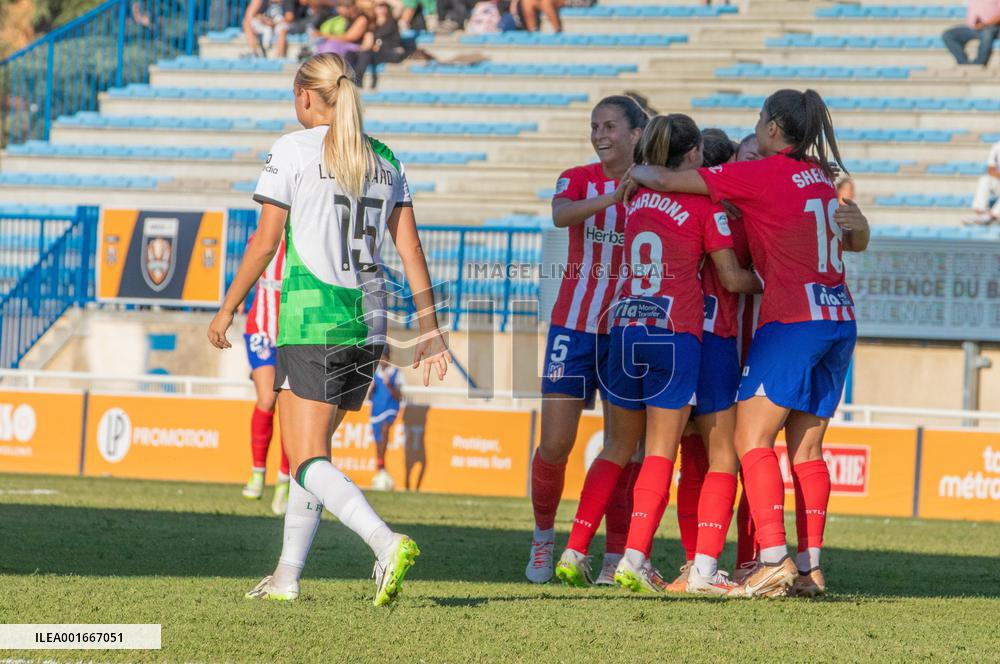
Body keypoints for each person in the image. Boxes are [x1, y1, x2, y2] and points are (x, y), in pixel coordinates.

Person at [208, 53, 450, 607]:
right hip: (371, 319)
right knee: (309, 455)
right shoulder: (385, 158)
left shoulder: (292, 148)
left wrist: (227, 309)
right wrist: (431, 328)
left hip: (315, 314)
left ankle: (384, 542)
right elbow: (410, 250)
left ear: (303, 95)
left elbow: (264, 243)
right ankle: (286, 577)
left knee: (308, 456)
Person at [624, 88, 870, 597]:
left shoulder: (761, 173)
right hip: (839, 316)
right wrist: (860, 227)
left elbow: (666, 177)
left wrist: (638, 172)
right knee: (807, 449)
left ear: (774, 128)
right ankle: (810, 567)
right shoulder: (821, 179)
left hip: (793, 322)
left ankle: (774, 559)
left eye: (760, 120)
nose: (756, 129)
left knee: (749, 441)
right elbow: (854, 239)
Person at [570, 114, 759, 594]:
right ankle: (667, 562)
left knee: (621, 447)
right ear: (693, 157)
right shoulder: (708, 208)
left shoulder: (634, 200)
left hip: (626, 327)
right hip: (686, 335)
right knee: (695, 456)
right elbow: (733, 279)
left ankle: (578, 548)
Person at [526, 95, 648, 586]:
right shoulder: (576, 177)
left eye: (610, 126)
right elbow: (562, 215)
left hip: (627, 331)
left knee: (626, 448)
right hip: (572, 326)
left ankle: (616, 555)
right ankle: (542, 539)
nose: (599, 134)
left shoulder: (656, 182)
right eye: (594, 125)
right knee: (555, 443)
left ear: (636, 133)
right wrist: (613, 197)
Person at [665, 127, 748, 594]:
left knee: (685, 459)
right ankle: (704, 567)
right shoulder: (725, 213)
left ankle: (675, 562)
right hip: (714, 338)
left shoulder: (667, 205)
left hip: (672, 338)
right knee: (722, 460)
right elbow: (734, 279)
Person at [240, 233, 292, 516]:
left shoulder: (305, 239)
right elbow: (249, 267)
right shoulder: (260, 238)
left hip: (292, 333)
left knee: (289, 407)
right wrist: (237, 299)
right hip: (260, 328)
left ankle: (284, 481)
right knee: (267, 398)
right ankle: (258, 471)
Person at [351, 0, 411, 88]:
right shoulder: (371, 23)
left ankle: (358, 80)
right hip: (378, 53)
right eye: (379, 6)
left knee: (367, 53)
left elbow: (400, 6)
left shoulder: (392, 19)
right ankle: (357, 80)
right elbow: (368, 42)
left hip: (393, 51)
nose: (382, 8)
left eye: (384, 6)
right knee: (361, 54)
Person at [369, 348, 404, 488]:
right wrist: (371, 388)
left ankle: (382, 470)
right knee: (378, 443)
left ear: (388, 357)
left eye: (384, 357)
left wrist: (388, 383)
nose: (382, 360)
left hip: (391, 408)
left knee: (385, 430)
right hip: (376, 410)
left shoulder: (396, 373)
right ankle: (381, 470)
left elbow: (399, 396)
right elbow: (370, 397)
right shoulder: (374, 373)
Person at [942, 0, 1000, 66]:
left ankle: (979, 64)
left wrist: (985, 24)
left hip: (992, 27)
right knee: (948, 35)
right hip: (972, 28)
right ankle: (964, 63)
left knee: (987, 34)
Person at [970, 139, 1000, 224]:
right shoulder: (997, 146)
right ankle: (980, 213)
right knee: (985, 179)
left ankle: (992, 216)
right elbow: (991, 170)